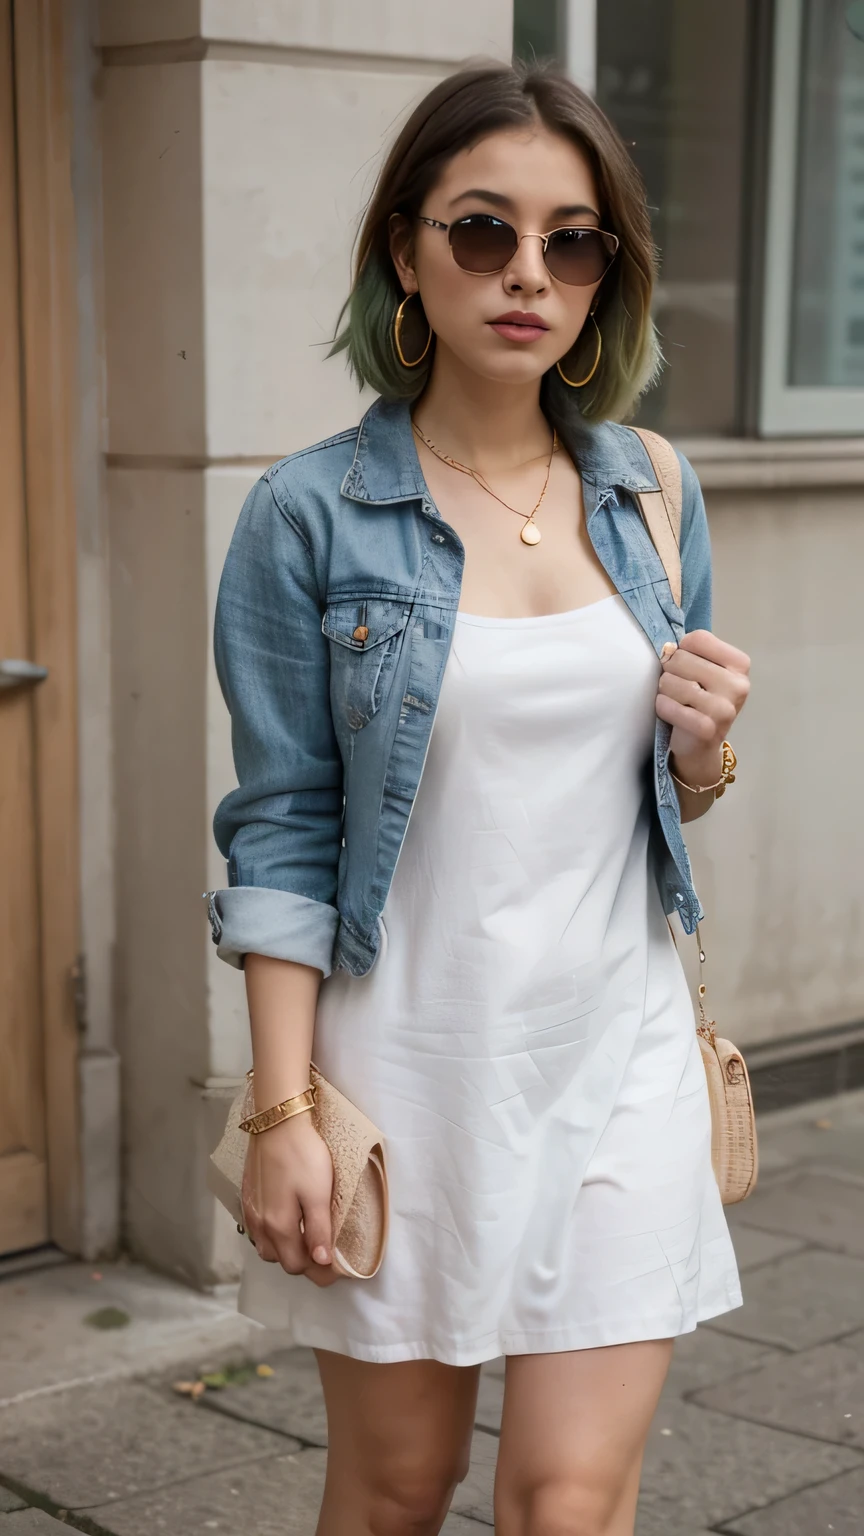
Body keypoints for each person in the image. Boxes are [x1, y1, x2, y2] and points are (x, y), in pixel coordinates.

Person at [207, 60, 749, 1536]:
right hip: (411, 1070)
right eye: (482, 232)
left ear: (604, 276)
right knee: (395, 1492)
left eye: (572, 241)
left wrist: (701, 754)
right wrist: (281, 1109)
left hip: (619, 1057)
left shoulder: (652, 490)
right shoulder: (306, 514)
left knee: (568, 1502)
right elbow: (287, 827)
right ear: (405, 251)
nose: (529, 273)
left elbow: (657, 797)